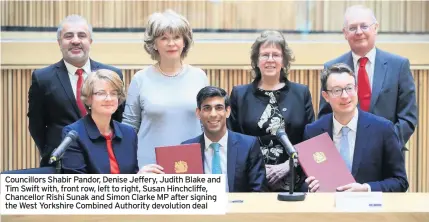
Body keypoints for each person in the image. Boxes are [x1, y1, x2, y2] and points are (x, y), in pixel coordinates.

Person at [28, 15, 124, 167]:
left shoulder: (112, 74)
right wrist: (51, 151)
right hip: (62, 163)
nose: (75, 40)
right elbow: (36, 124)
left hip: (104, 160)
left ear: (90, 41)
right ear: (59, 42)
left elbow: (118, 119)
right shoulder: (43, 78)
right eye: (68, 36)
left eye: (82, 35)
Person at [318, 5, 417, 151]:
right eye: (352, 28)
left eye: (364, 26)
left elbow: (407, 117)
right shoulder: (331, 68)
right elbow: (324, 117)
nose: (359, 32)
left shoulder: (399, 65)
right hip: (345, 154)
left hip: (388, 155)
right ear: (345, 33)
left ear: (375, 28)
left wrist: (384, 144)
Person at [227, 30, 314, 192]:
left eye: (276, 55)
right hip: (251, 180)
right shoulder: (239, 94)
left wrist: (288, 166)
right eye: (265, 55)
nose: (270, 60)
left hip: (294, 179)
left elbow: (311, 141)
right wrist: (258, 168)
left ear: (284, 60)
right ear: (257, 60)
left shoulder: (301, 93)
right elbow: (233, 140)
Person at [122, 9, 209, 167]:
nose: (171, 43)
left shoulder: (199, 76)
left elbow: (206, 124)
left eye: (176, 37)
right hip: (150, 165)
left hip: (191, 164)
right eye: (164, 38)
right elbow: (129, 127)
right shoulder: (140, 79)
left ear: (184, 41)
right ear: (154, 44)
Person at [305, 64, 408, 192]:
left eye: (349, 88)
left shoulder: (383, 129)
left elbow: (400, 181)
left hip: (370, 209)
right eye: (337, 90)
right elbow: (304, 180)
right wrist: (310, 187)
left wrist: (366, 189)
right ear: (326, 96)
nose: (345, 96)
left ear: (357, 90)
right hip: (328, 207)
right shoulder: (313, 131)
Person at [141, 86, 266, 192]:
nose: (213, 114)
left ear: (227, 112)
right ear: (198, 113)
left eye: (219, 108)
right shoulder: (186, 148)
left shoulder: (248, 145)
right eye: (207, 108)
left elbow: (258, 191)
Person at [61, 69, 138, 174]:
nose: (109, 98)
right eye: (101, 93)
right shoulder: (73, 134)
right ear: (88, 99)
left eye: (113, 93)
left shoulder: (129, 133)